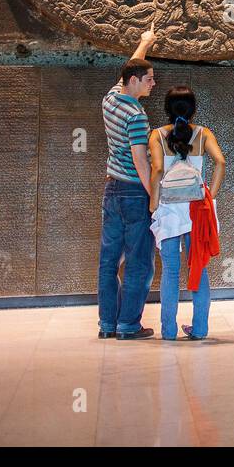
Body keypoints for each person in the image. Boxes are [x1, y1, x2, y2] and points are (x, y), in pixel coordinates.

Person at [149, 86, 225, 340]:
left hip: (169, 211)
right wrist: (210, 194)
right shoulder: (203, 134)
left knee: (170, 271)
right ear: (193, 109)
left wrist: (153, 204)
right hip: (197, 209)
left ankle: (168, 331)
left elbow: (157, 170)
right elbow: (221, 162)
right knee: (199, 268)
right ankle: (200, 329)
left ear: (166, 109)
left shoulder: (157, 135)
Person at [97, 27, 157, 340]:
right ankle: (128, 325)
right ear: (134, 81)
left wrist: (144, 43)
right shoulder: (137, 115)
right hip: (134, 192)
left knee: (108, 262)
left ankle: (107, 325)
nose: (153, 83)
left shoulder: (110, 100)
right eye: (149, 78)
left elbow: (129, 67)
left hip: (112, 191)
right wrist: (153, 196)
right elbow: (140, 160)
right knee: (138, 263)